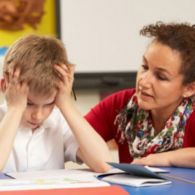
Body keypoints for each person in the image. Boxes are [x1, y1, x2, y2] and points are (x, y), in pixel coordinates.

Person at [85, 22, 195, 168]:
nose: (143, 81)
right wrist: (65, 102)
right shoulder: (122, 104)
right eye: (144, 67)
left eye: (161, 77)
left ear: (189, 88)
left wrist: (165, 158)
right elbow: (71, 138)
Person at [0, 34, 111, 172]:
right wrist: (15, 109)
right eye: (28, 103)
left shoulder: (58, 122)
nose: (38, 115)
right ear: (5, 86)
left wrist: (66, 104)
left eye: (48, 104)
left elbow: (105, 165)